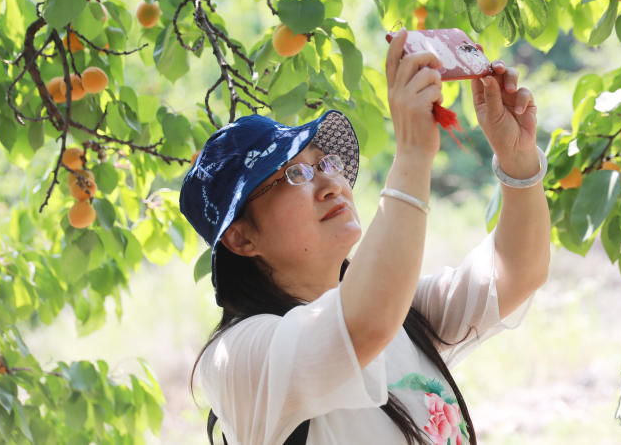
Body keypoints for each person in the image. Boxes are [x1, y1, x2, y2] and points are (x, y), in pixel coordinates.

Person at [181, 28, 552, 444]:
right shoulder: (240, 359)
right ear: (242, 239)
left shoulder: (402, 313)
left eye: (326, 163)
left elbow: (516, 272)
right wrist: (412, 153)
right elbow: (360, 325)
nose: (330, 183)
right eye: (294, 174)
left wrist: (518, 160)